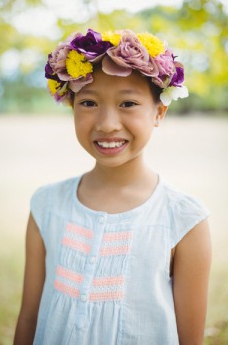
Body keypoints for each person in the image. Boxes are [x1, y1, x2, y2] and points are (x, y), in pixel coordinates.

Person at [14, 29, 211, 345]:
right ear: (71, 107)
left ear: (159, 113)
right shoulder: (46, 205)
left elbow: (191, 339)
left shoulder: (185, 218)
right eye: (89, 102)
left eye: (128, 103)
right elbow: (29, 317)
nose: (106, 123)